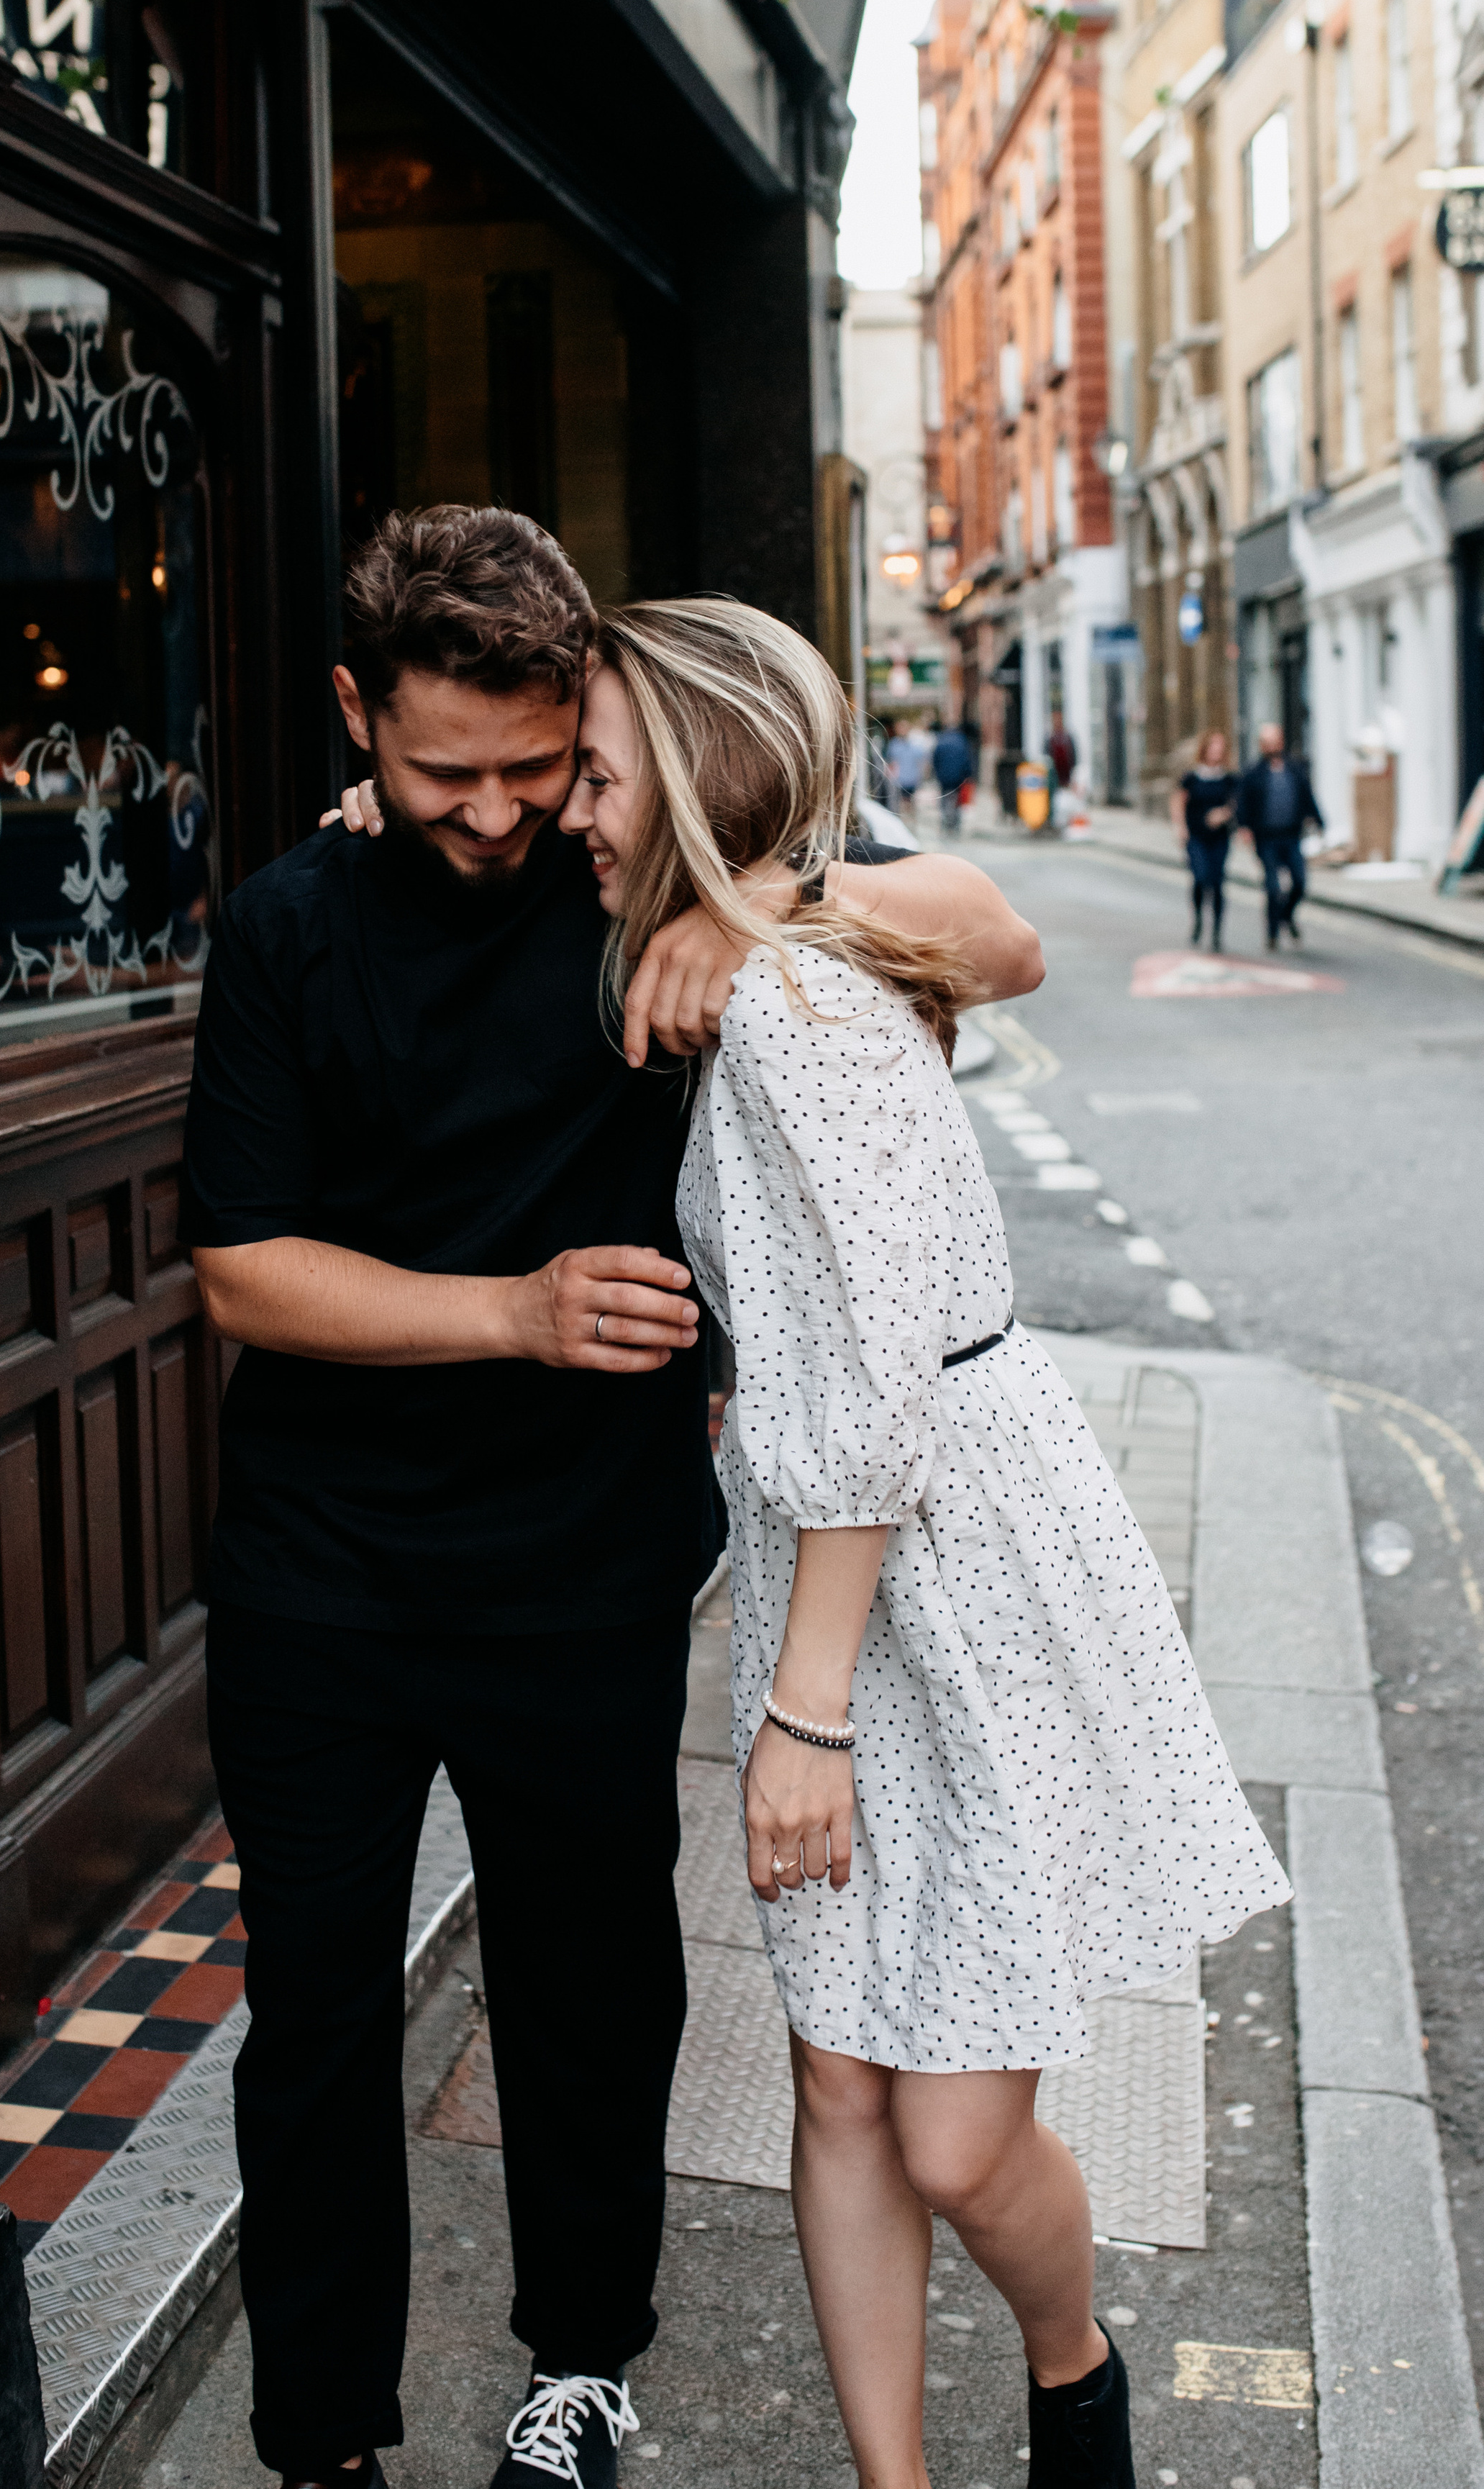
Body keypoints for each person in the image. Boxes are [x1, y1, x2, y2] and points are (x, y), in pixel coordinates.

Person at [179, 507, 1044, 2489]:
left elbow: (1002, 936)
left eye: (532, 766)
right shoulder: (287, 925)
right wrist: (518, 1309)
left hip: (579, 1571)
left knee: (592, 1990)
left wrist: (760, 904)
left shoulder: (641, 893)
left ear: (594, 723)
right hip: (319, 1574)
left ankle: (583, 2370)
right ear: (353, 720)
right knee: (313, 2018)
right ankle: (322, 2439)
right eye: (436, 774)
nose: (490, 816)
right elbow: (243, 1272)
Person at [561, 599, 1288, 2489]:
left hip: (934, 1576)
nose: (572, 806)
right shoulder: (755, 972)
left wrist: (800, 1718)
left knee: (956, 2131)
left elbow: (876, 1383)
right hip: (847, 1570)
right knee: (832, 2073)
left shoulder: (791, 1002)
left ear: (697, 780)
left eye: (598, 771)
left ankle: (1075, 2376)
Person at [1237, 722, 1323, 948]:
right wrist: (1244, 827)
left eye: (1276, 740)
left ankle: (1286, 915)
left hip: (1292, 836)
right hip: (1266, 838)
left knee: (1300, 882)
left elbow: (1307, 796)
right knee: (1273, 887)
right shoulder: (1253, 773)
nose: (1273, 745)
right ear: (1262, 745)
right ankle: (1273, 933)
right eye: (1268, 742)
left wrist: (1318, 820)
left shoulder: (1295, 769)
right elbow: (1243, 803)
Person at [1170, 727, 1236, 948]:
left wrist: (1223, 813)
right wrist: (1180, 828)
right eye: (1213, 748)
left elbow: (1237, 804)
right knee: (1200, 878)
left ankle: (1217, 931)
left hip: (1219, 838)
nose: (1217, 752)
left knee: (1217, 883)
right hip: (1196, 836)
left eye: (1221, 748)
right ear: (1205, 749)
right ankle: (1198, 919)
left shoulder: (1228, 779)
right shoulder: (1191, 777)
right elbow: (1179, 801)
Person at [931, 718, 971, 834]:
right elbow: (966, 760)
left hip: (943, 777)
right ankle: (955, 823)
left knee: (944, 797)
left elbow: (935, 759)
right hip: (958, 777)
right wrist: (968, 774)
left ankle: (945, 821)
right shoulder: (961, 741)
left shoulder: (941, 741)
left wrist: (937, 773)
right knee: (957, 799)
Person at [1045, 709, 1078, 792]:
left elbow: (1073, 756)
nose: (1057, 722)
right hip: (1054, 776)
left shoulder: (1068, 738)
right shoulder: (1050, 739)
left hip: (1067, 777)